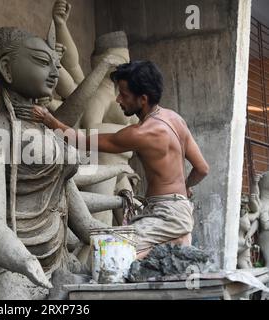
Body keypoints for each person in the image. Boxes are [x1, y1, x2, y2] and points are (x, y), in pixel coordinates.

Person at [33, 60, 210, 258]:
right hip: (177, 210)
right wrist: (185, 187)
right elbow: (202, 168)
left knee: (112, 254)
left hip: (166, 216)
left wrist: (50, 121)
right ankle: (171, 244)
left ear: (143, 99)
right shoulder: (175, 119)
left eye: (124, 95)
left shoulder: (142, 133)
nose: (118, 99)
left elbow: (83, 142)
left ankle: (170, 243)